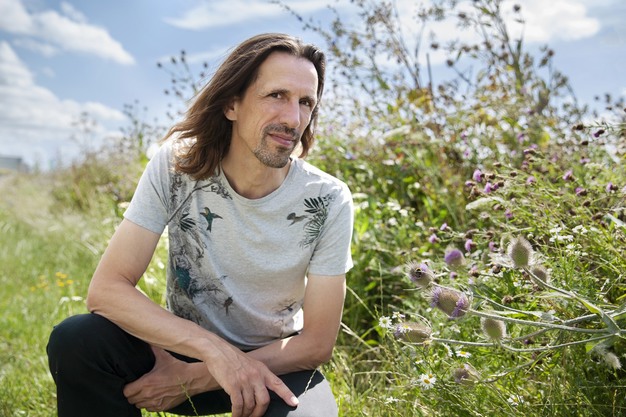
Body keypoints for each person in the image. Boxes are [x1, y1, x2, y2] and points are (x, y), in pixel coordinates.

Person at [47, 33, 354, 417]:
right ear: (231, 104)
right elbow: (106, 291)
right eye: (276, 95)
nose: (293, 118)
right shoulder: (177, 168)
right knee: (78, 340)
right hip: (180, 351)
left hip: (274, 361)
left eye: (305, 102)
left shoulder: (327, 199)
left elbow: (317, 344)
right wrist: (213, 352)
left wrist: (197, 378)